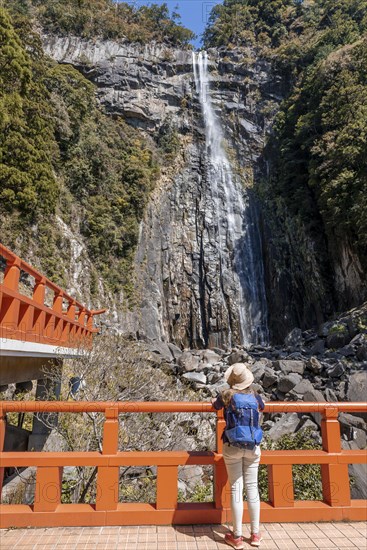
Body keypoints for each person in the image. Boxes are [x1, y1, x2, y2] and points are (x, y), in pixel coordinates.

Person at [212, 363, 264, 549]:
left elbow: (214, 406)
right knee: (252, 488)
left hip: (232, 446)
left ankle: (237, 536)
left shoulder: (227, 395)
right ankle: (256, 535)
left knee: (236, 488)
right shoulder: (255, 396)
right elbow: (262, 407)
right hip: (252, 446)